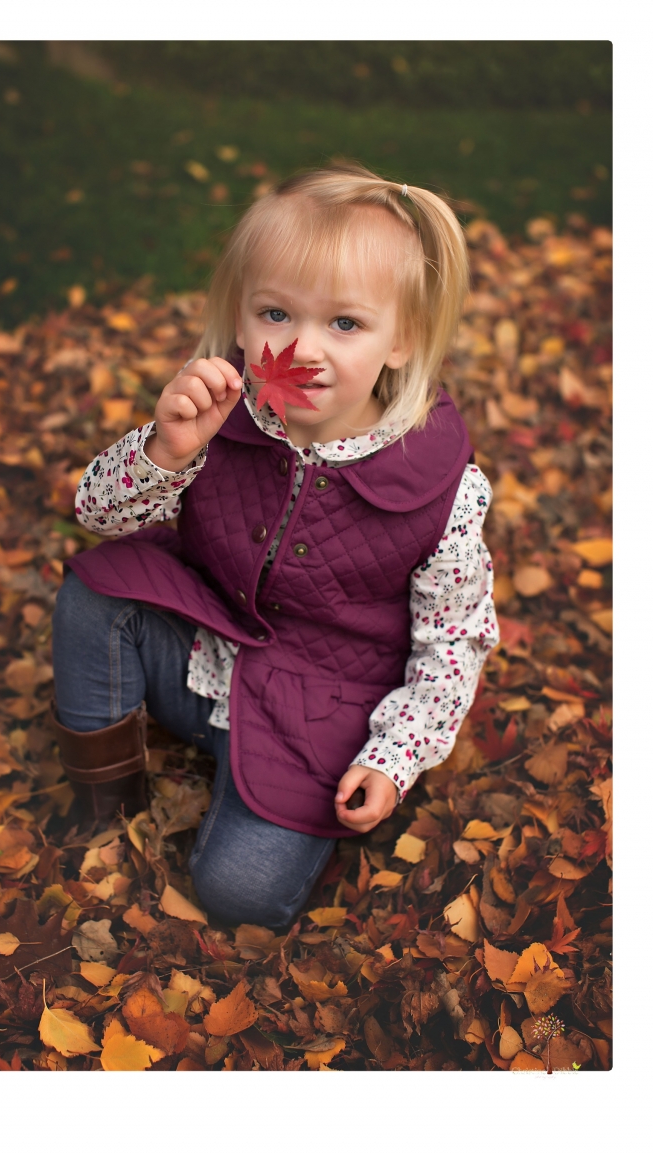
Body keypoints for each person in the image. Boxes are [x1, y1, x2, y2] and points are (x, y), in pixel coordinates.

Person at [51, 162, 499, 929]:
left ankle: (267, 818)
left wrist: (392, 758)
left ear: (404, 340)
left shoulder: (442, 489)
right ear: (239, 318)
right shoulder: (221, 415)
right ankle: (104, 798)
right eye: (276, 315)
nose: (305, 349)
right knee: (96, 595)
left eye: (346, 324)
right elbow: (98, 512)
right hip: (205, 656)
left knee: (240, 896)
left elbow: (454, 642)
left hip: (319, 709)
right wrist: (168, 450)